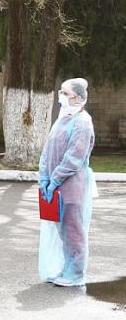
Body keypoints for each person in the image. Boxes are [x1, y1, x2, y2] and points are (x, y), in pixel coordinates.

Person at [38, 78, 98, 287]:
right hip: (55, 186)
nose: (60, 96)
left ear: (79, 98)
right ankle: (65, 268)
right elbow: (47, 150)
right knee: (61, 230)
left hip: (72, 186)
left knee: (73, 230)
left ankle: (75, 273)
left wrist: (55, 179)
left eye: (65, 93)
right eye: (60, 92)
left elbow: (74, 157)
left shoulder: (83, 122)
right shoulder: (62, 119)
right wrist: (44, 177)